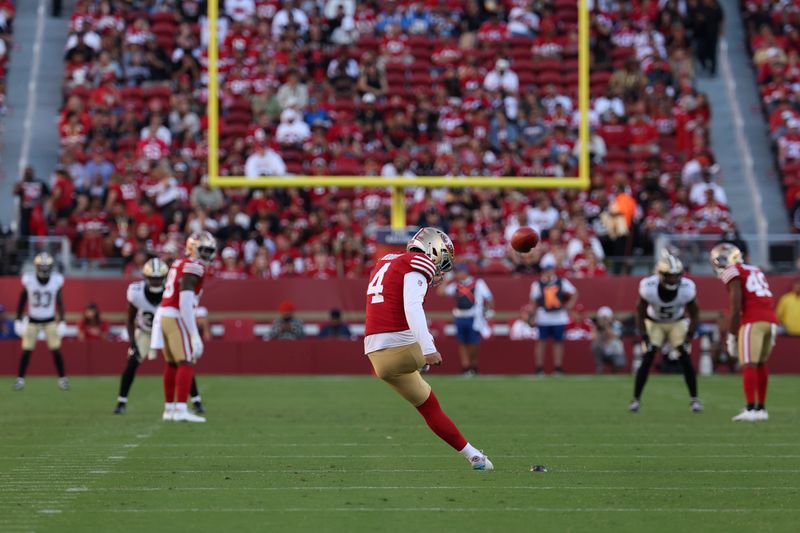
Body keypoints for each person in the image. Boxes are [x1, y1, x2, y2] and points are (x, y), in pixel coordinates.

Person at [364, 227, 493, 470]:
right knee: (424, 339)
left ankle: (474, 456)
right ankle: (421, 360)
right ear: (435, 249)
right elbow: (412, 306)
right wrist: (427, 348)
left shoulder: (386, 261)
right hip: (402, 347)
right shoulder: (417, 262)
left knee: (429, 407)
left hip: (375, 353)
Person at [114, 258, 204, 415]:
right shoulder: (136, 292)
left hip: (166, 329)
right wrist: (132, 343)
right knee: (132, 363)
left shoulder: (169, 289)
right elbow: (129, 319)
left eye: (158, 278)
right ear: (146, 277)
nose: (155, 282)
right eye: (152, 278)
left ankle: (196, 400)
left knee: (182, 360)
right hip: (145, 331)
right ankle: (121, 401)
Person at [151, 231, 217, 423]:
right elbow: (185, 302)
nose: (207, 255)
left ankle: (169, 409)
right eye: (204, 250)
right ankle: (180, 409)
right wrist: (194, 335)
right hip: (176, 315)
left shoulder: (181, 262)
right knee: (186, 361)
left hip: (165, 314)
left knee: (172, 363)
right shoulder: (193, 266)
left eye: (210, 250)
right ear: (192, 248)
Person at [711, 243, 778, 422]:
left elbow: (735, 307)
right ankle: (761, 409)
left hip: (753, 320)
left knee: (748, 364)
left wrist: (732, 336)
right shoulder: (755, 269)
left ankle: (750, 409)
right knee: (761, 364)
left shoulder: (732, 272)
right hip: (770, 320)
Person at [631, 252, 701, 413]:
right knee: (648, 356)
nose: (673, 280)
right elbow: (640, 312)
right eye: (669, 276)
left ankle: (694, 399)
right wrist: (644, 335)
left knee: (684, 355)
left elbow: (695, 313)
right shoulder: (648, 288)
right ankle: (636, 399)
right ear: (660, 275)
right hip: (654, 322)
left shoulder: (687, 288)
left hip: (677, 322)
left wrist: (689, 336)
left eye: (676, 276)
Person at [12, 252, 69, 391]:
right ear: (36, 267)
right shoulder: (29, 280)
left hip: (49, 320)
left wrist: (62, 320)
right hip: (32, 320)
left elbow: (60, 302)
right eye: (41, 266)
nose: (44, 269)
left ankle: (62, 379)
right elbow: (22, 299)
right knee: (26, 351)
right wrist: (18, 319)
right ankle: (20, 379)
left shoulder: (56, 280)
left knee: (56, 350)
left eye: (46, 266)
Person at [438, 264, 494, 376]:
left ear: (465, 272)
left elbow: (489, 298)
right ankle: (466, 366)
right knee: (462, 342)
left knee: (473, 343)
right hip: (459, 317)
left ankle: (473, 364)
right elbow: (441, 293)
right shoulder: (456, 286)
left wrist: (488, 312)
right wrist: (445, 281)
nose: (456, 274)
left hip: (474, 317)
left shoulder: (478, 284)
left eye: (458, 272)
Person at [529, 259, 578, 375]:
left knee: (558, 342)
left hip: (559, 316)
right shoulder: (537, 284)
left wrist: (569, 305)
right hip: (543, 316)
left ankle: (558, 366)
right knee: (541, 342)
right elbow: (533, 302)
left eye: (550, 269)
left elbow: (574, 293)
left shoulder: (562, 282)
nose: (548, 272)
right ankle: (539, 367)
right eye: (546, 270)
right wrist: (532, 316)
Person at [591, 306, 625, 374]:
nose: (604, 320)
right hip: (603, 351)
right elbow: (593, 338)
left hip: (615, 352)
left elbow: (615, 336)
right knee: (595, 345)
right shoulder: (597, 327)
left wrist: (606, 326)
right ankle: (600, 367)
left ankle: (615, 371)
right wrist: (596, 328)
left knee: (620, 363)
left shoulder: (616, 324)